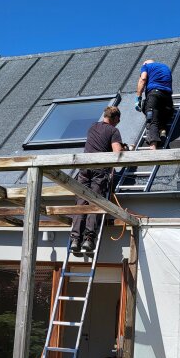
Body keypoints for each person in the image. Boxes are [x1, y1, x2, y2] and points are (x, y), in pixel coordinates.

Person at [70, 105, 123, 255]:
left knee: (81, 203)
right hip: (99, 171)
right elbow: (117, 153)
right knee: (95, 203)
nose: (118, 123)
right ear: (115, 118)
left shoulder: (92, 127)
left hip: (84, 169)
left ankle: (75, 239)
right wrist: (124, 149)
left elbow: (96, 144)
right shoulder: (113, 131)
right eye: (118, 120)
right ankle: (88, 239)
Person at [135, 59, 173, 149]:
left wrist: (138, 98)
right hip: (168, 98)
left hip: (154, 95)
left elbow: (143, 79)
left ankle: (153, 149)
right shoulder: (165, 67)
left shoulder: (146, 66)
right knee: (160, 114)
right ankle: (162, 130)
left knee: (151, 119)